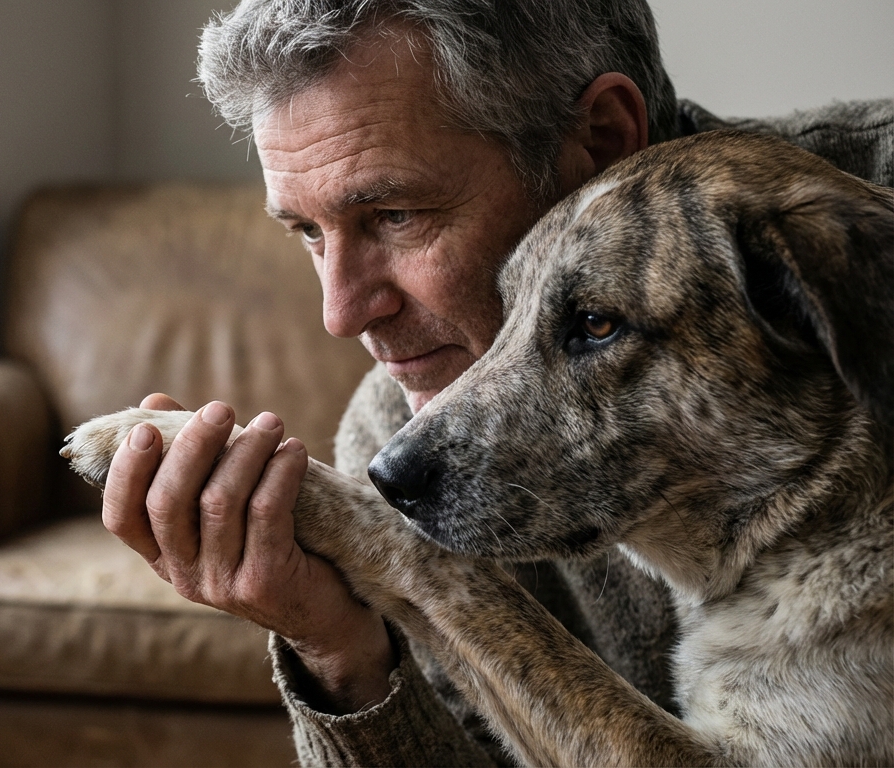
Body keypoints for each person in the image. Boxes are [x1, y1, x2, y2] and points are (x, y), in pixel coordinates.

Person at [100, 1, 894, 764]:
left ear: (603, 141)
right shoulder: (396, 434)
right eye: (308, 230)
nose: (339, 314)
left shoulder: (839, 242)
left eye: (395, 214)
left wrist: (408, 565)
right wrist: (341, 651)